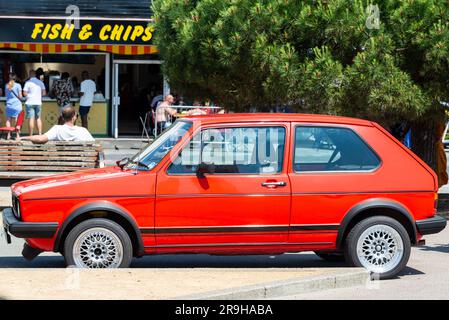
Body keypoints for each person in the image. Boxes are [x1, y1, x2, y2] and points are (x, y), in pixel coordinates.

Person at [20, 106, 94, 143]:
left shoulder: (57, 129)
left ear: (63, 118)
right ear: (73, 118)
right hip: (81, 167)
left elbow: (40, 138)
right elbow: (95, 146)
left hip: (62, 165)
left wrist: (22, 138)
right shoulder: (83, 131)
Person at [23, 70, 46, 136]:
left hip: (30, 102)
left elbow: (24, 93)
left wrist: (29, 95)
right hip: (38, 102)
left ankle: (31, 135)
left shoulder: (28, 82)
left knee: (31, 119)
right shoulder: (40, 82)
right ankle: (40, 134)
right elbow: (44, 93)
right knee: (38, 118)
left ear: (29, 74)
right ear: (35, 74)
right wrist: (38, 95)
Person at [4, 73, 23, 139]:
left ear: (9, 78)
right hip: (17, 105)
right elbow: (20, 96)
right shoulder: (18, 85)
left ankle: (8, 135)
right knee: (17, 120)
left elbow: (6, 96)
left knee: (8, 120)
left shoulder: (6, 85)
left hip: (9, 105)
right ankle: (17, 135)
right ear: (15, 78)